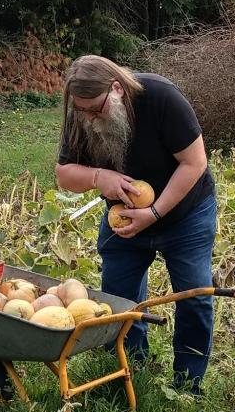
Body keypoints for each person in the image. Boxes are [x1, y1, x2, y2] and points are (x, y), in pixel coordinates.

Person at [55, 55, 217, 393]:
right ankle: (130, 371)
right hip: (124, 219)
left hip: (185, 214)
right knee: (117, 300)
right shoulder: (82, 115)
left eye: (95, 110)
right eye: (81, 110)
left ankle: (188, 384)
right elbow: (65, 175)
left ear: (116, 89)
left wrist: (154, 213)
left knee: (194, 296)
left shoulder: (161, 98)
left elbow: (195, 162)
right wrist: (100, 176)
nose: (88, 118)